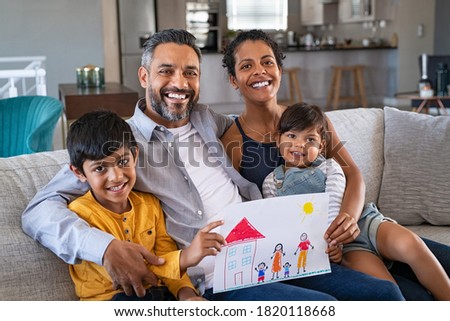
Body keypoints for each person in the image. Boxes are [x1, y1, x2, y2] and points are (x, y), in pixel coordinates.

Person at [21, 29, 342, 301]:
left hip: (273, 250)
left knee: (378, 295)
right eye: (166, 71)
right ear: (144, 76)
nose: (180, 82)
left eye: (190, 72)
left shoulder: (208, 120)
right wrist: (104, 248)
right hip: (218, 277)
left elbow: (262, 127)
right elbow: (38, 211)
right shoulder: (119, 145)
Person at [220, 29, 450, 300]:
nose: (260, 71)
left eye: (267, 61)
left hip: (359, 224)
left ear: (280, 69)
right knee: (406, 296)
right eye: (247, 66)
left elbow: (352, 174)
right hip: (321, 249)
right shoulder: (233, 142)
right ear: (234, 80)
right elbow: (247, 216)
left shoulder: (311, 120)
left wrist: (350, 219)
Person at [262, 103, 450, 300]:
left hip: (365, 223)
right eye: (291, 136)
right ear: (277, 139)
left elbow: (334, 205)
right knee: (386, 289)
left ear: (321, 146)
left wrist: (333, 239)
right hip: (347, 247)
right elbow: (281, 222)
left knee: (411, 244)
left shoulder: (330, 168)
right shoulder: (272, 183)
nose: (300, 144)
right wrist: (330, 248)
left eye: (310, 139)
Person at [65, 110, 226, 300]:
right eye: (100, 168)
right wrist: (185, 258)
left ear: (135, 155)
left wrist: (187, 295)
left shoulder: (149, 204)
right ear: (79, 173)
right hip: (115, 298)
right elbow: (128, 273)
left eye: (123, 161)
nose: (116, 176)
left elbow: (165, 254)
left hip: (158, 295)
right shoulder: (79, 215)